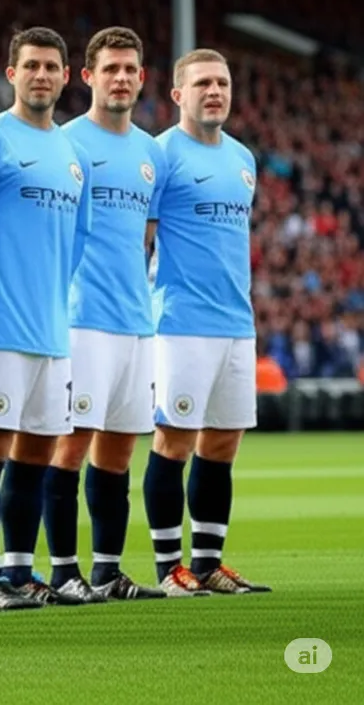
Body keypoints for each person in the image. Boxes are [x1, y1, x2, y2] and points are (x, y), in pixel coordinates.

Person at [0, 27, 93, 608]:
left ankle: (19, 570)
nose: (42, 75)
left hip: (52, 328)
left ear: (65, 76)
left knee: (38, 450)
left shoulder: (73, 154)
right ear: (11, 73)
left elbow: (77, 242)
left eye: (51, 66)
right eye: (31, 65)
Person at [42, 27, 166, 600]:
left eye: (130, 69)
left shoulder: (150, 153)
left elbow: (144, 238)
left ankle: (107, 570)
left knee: (119, 448)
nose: (121, 78)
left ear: (142, 78)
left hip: (136, 322)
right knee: (71, 445)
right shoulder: (65, 143)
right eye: (110, 68)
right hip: (81, 319)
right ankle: (64, 570)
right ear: (87, 77)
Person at [143, 48, 271, 596]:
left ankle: (208, 563)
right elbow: (140, 239)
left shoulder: (244, 159)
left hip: (235, 324)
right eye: (202, 84)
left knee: (222, 445)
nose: (215, 91)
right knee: (173, 441)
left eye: (222, 82)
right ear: (178, 95)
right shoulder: (160, 155)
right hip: (179, 322)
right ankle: (168, 567)